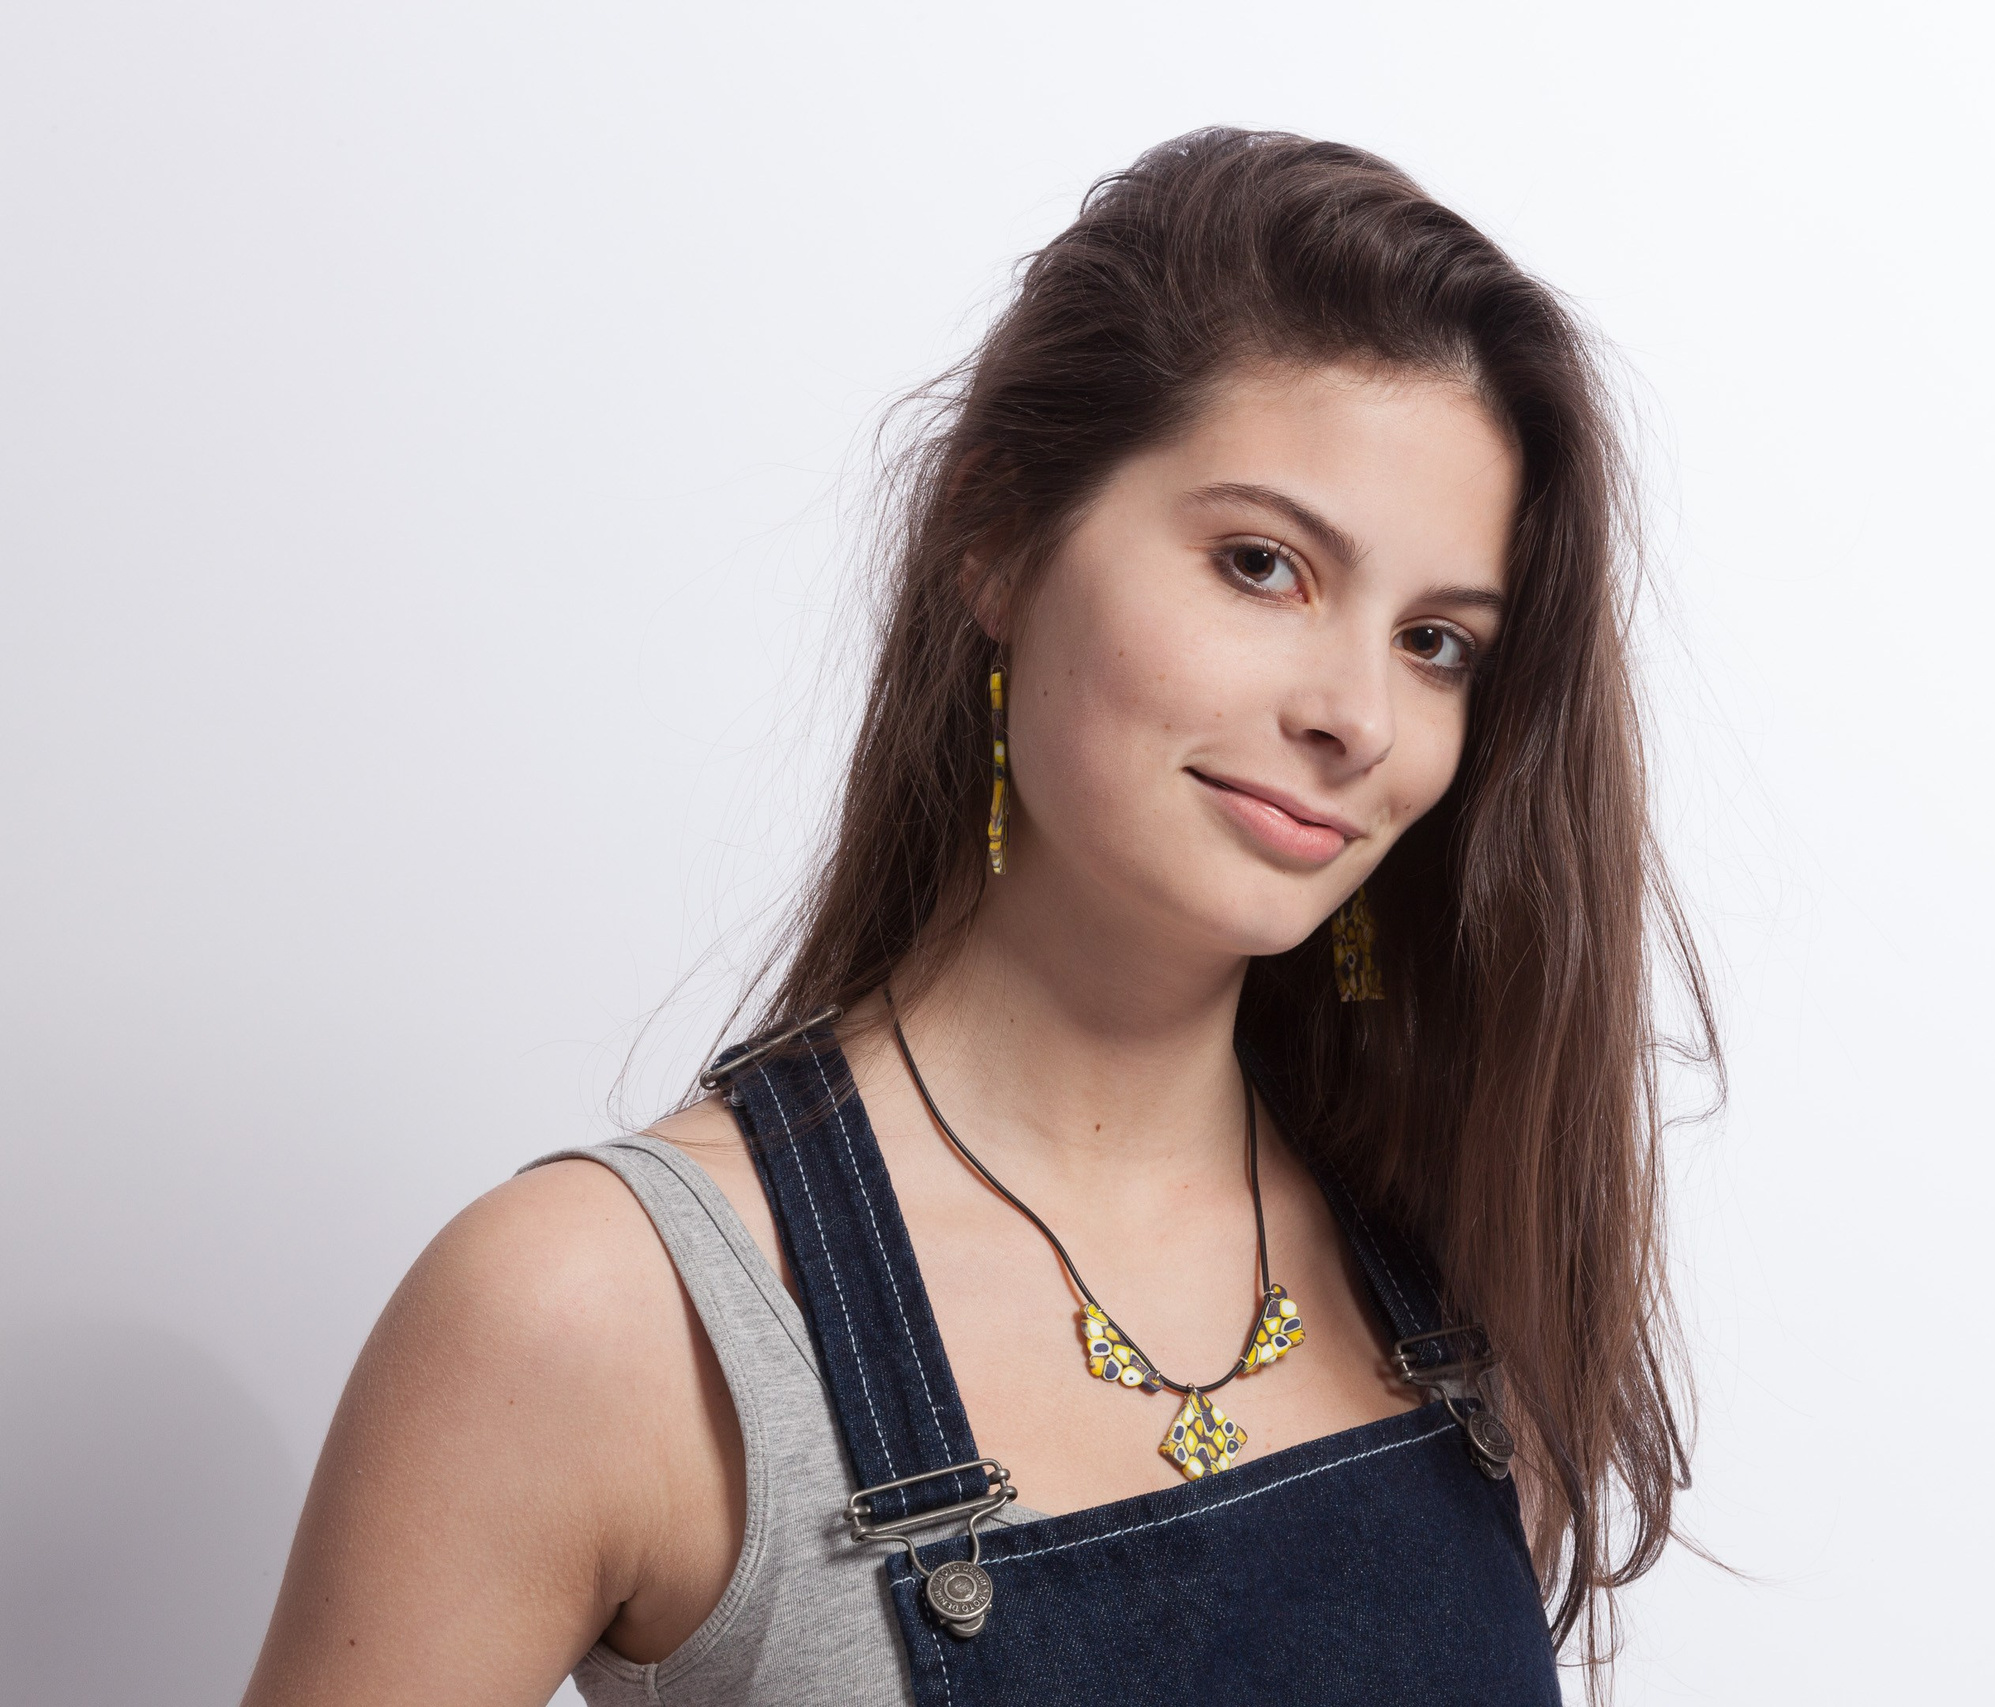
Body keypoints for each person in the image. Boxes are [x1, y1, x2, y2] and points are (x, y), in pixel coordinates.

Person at [244, 127, 1714, 1706]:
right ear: (1000, 534)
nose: (1359, 713)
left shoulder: (1455, 1253)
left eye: (1436, 641)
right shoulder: (600, 1318)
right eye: (1262, 563)